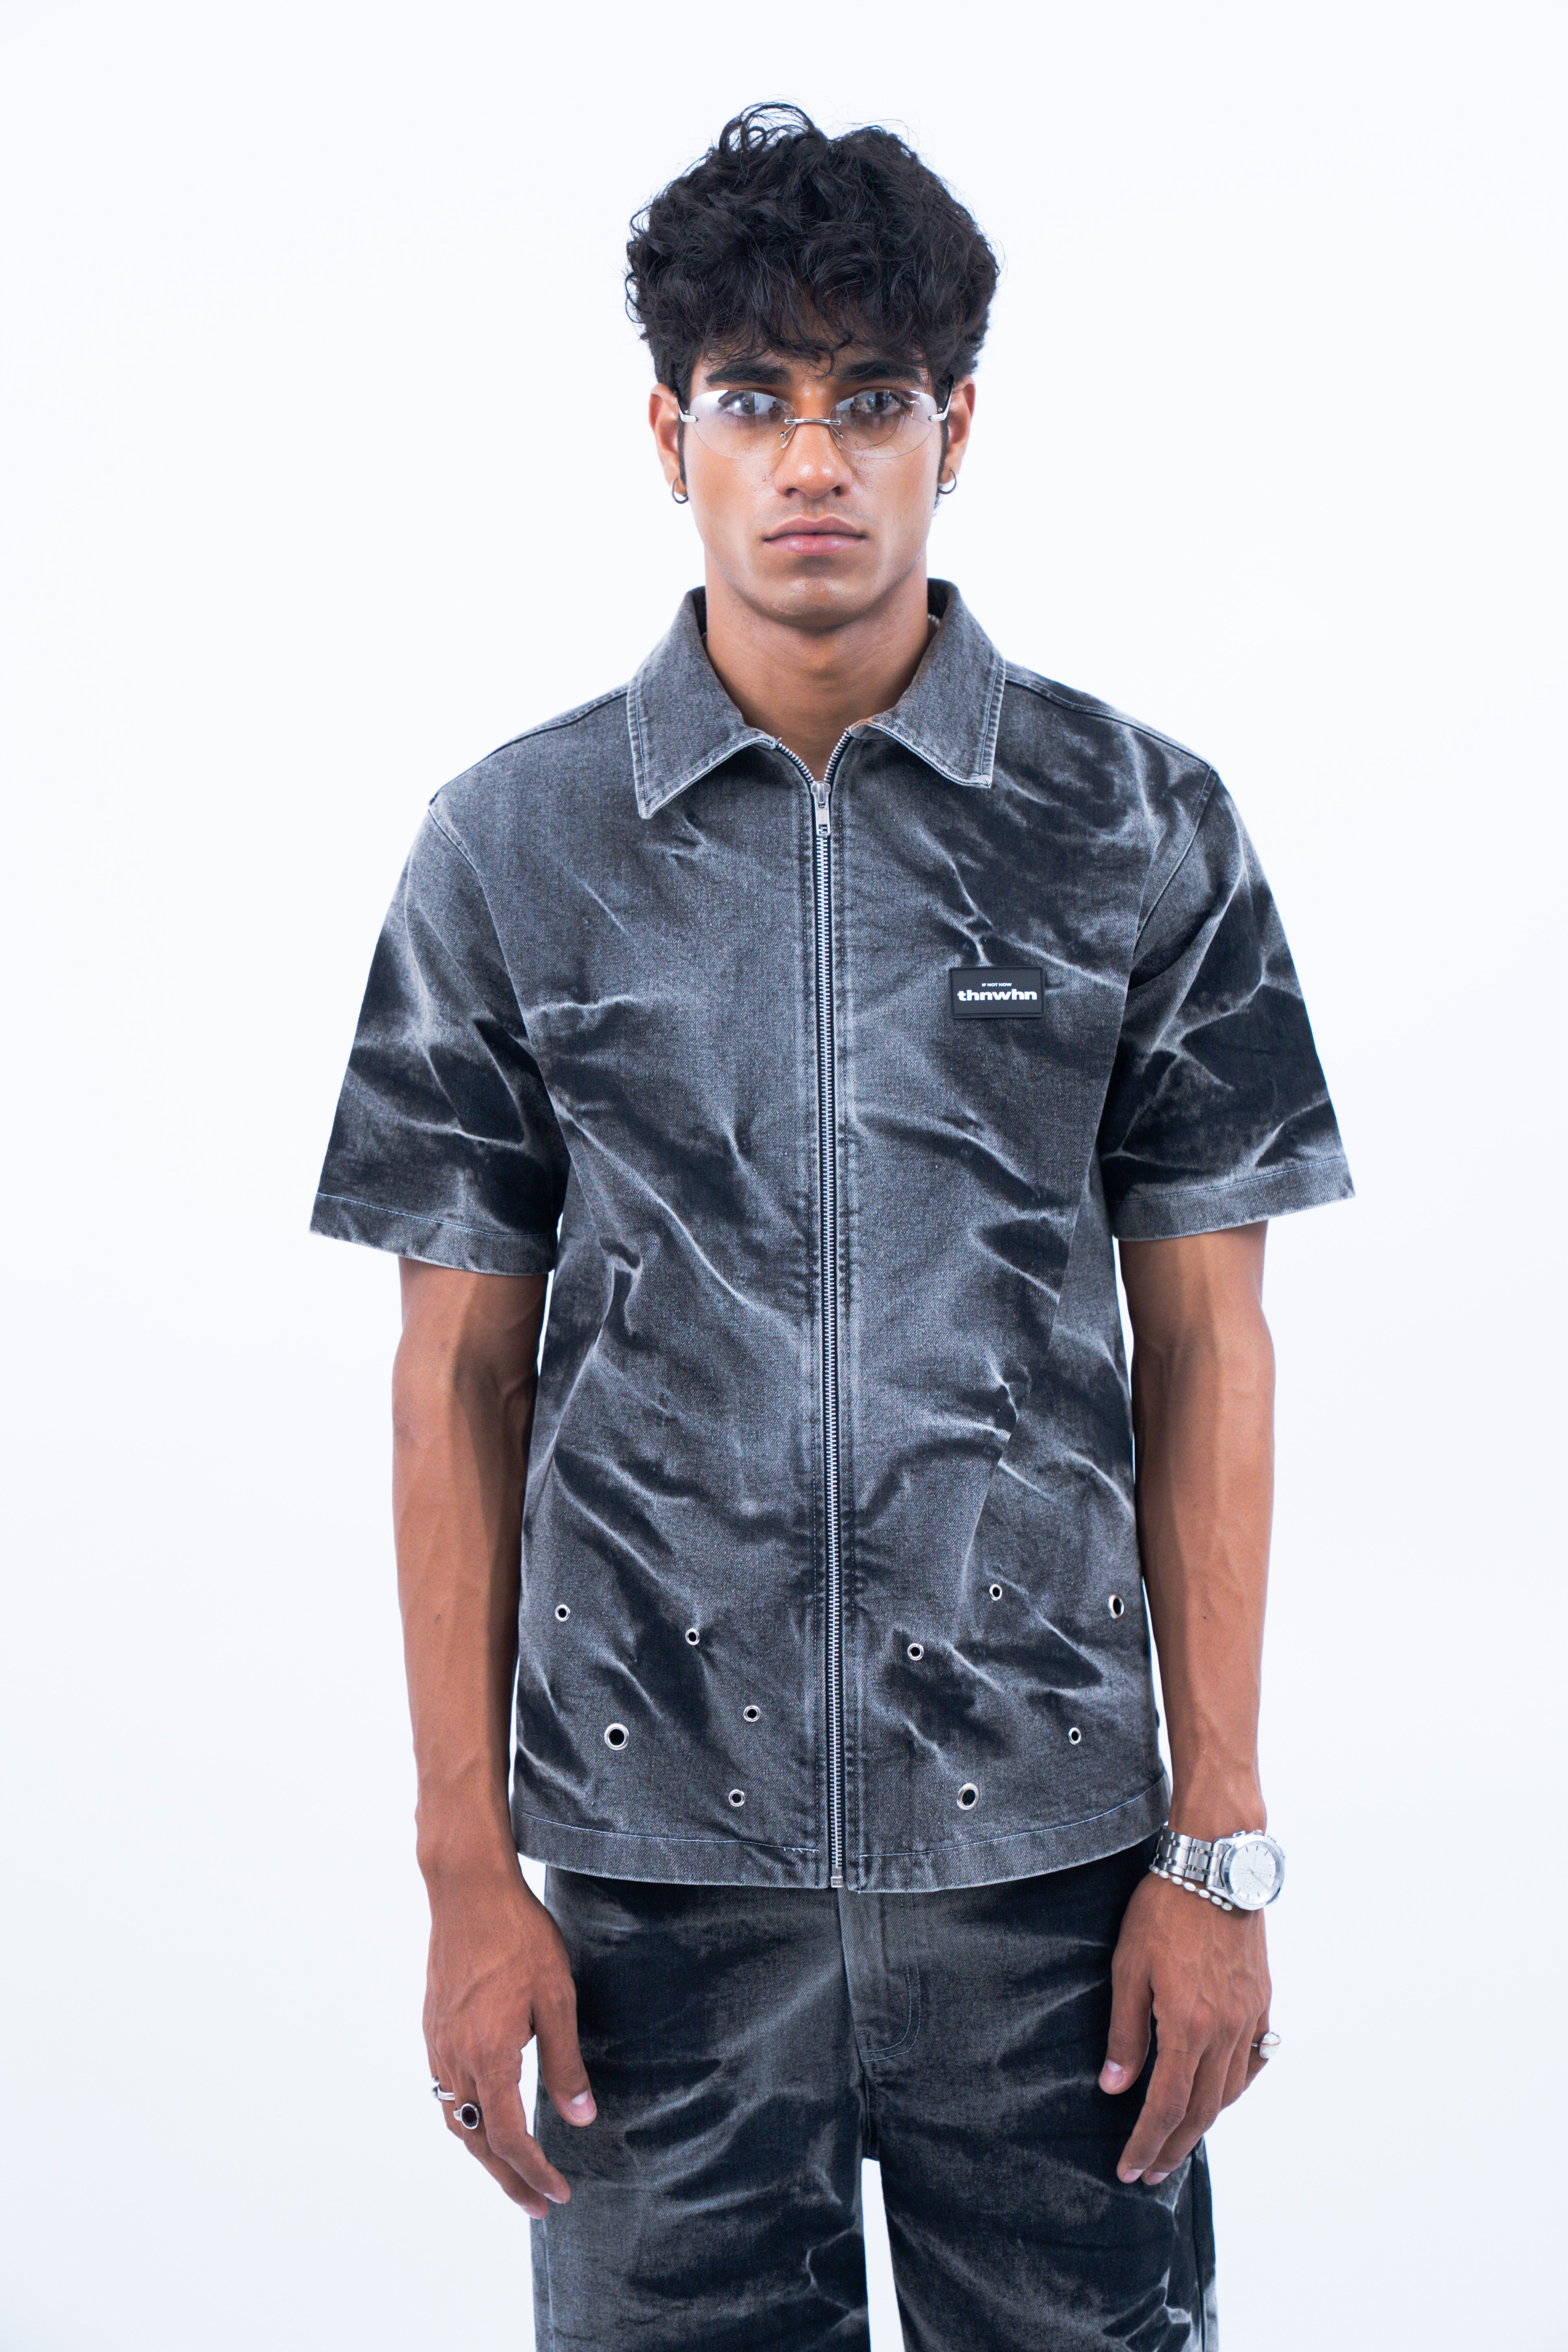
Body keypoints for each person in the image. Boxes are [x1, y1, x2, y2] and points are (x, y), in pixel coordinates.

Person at [312, 102, 1352, 2352]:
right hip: (651, 1903)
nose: (811, 459)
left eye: (870, 401)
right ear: (664, 433)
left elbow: (1211, 1346)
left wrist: (1218, 1844)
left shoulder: (1135, 826)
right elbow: (453, 1377)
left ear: (955, 430)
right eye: (752, 399)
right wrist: (466, 1869)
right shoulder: (512, 848)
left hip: (1054, 1884)